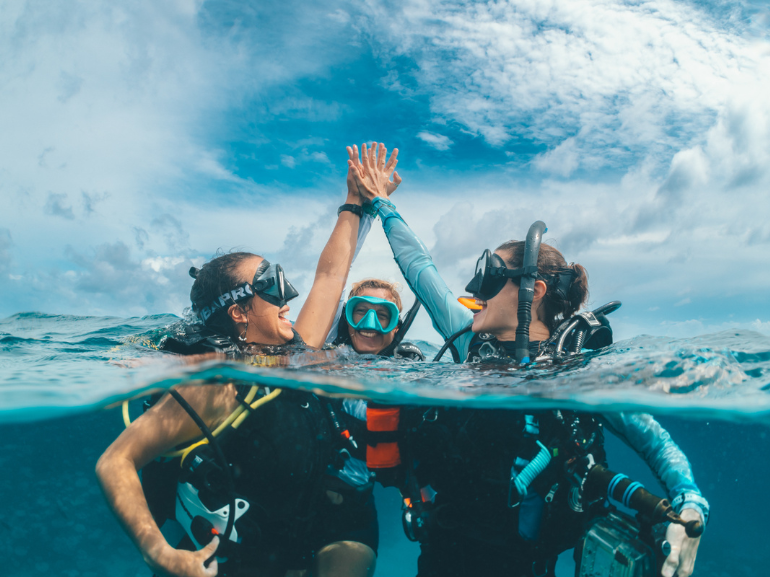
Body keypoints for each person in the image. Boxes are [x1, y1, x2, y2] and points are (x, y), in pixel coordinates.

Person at [348, 143, 709, 577]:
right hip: (444, 550)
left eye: (488, 277)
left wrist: (690, 506)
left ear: (531, 292)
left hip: (525, 565)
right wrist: (382, 204)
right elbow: (420, 267)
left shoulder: (578, 368)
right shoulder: (469, 342)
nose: (473, 289)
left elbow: (655, 441)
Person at [96, 144, 401, 577]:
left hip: (285, 542)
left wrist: (354, 200)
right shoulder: (214, 385)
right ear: (238, 312)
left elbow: (331, 275)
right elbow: (115, 461)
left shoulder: (297, 349)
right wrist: (160, 553)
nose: (289, 296)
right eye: (271, 285)